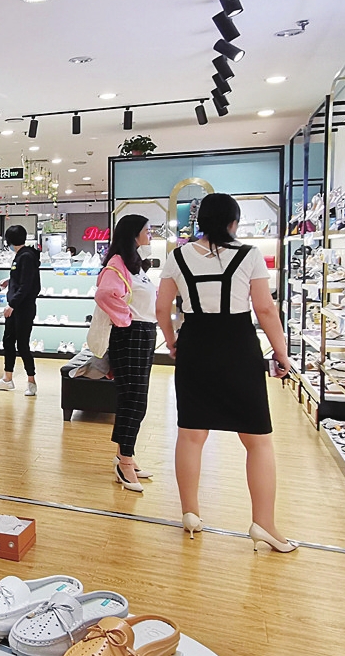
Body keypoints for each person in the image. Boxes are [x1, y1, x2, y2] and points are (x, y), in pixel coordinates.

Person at [155, 192, 298, 552]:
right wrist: (282, 353)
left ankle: (190, 514)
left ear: (200, 222)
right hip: (238, 347)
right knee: (258, 439)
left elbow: (161, 307)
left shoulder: (177, 257)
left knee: (191, 434)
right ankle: (264, 524)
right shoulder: (249, 255)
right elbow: (265, 309)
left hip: (195, 345)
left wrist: (172, 342)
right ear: (234, 222)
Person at [96, 215, 158, 492]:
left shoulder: (134, 264)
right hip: (131, 335)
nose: (150, 235)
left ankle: (124, 455)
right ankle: (125, 460)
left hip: (143, 333)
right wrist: (126, 320)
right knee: (134, 400)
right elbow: (104, 294)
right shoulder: (117, 264)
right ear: (134, 233)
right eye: (147, 230)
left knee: (134, 399)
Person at [0, 224, 41, 396]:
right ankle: (7, 378)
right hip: (16, 307)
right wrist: (9, 280)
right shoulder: (22, 255)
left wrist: (12, 304)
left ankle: (31, 381)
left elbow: (26, 285)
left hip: (22, 308)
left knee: (22, 344)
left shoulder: (26, 256)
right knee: (8, 341)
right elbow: (22, 278)